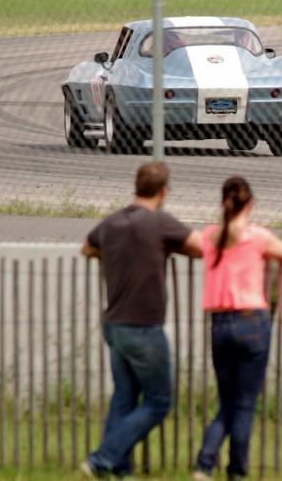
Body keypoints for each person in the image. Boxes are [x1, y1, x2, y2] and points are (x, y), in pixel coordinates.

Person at [80, 161, 203, 478]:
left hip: (114, 325)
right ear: (163, 192)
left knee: (124, 396)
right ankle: (102, 458)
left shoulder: (112, 223)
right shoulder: (158, 222)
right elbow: (202, 248)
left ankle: (119, 469)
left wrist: (115, 255)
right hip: (143, 327)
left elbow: (87, 248)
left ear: (136, 186)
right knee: (159, 401)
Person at [193, 176, 282, 481]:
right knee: (243, 405)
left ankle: (204, 465)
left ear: (223, 203)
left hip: (220, 325)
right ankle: (236, 471)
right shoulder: (257, 238)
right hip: (252, 322)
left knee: (227, 401)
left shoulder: (210, 236)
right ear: (250, 204)